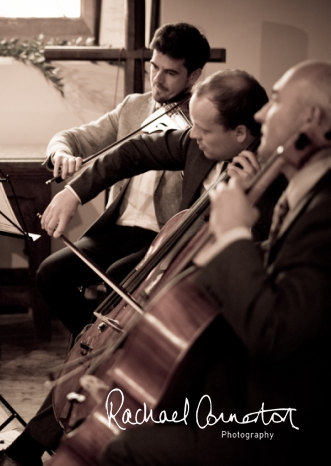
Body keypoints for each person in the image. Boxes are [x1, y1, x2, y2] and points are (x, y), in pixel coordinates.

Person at [0, 69, 277, 466]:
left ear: (242, 134)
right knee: (104, 332)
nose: (193, 136)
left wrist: (250, 214)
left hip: (216, 311)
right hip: (173, 275)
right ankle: (50, 441)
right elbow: (133, 151)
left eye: (205, 131)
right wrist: (74, 192)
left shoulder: (275, 183)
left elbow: (269, 264)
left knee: (118, 344)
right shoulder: (198, 144)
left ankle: (53, 444)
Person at [100, 60, 331, 465]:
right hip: (244, 386)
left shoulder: (324, 210)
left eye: (275, 101)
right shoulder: (307, 188)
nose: (261, 114)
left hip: (279, 419)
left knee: (122, 452)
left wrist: (237, 235)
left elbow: (274, 332)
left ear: (310, 119)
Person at [37, 23, 211, 340]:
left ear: (194, 76)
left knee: (120, 280)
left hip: (161, 235)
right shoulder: (134, 106)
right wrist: (61, 152)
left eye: (170, 73)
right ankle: (93, 345)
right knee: (51, 274)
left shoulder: (201, 124)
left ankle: (110, 349)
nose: (157, 79)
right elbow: (73, 137)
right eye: (154, 66)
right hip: (116, 230)